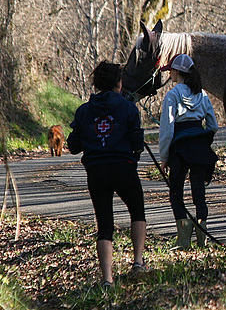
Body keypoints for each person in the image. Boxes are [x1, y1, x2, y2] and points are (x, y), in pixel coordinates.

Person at [67, 61, 147, 286]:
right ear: (119, 83)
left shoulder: (84, 110)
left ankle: (107, 279)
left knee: (104, 224)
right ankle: (138, 263)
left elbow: (73, 145)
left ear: (97, 84)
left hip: (96, 172)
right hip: (124, 168)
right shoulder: (128, 108)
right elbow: (137, 142)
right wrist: (135, 152)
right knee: (137, 211)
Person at [159, 53, 218, 249]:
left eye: (171, 71)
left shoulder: (173, 95)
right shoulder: (202, 95)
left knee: (176, 192)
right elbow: (213, 125)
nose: (170, 74)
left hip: (179, 148)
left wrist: (164, 156)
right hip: (200, 148)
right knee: (198, 191)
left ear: (177, 72)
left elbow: (167, 129)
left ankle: (183, 239)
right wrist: (203, 138)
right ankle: (202, 236)